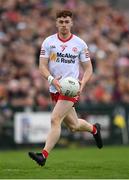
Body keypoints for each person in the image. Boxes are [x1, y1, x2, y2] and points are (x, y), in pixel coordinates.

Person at [28, 10, 103, 166]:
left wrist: (83, 82)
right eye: (61, 22)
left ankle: (43, 155)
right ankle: (94, 129)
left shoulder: (80, 44)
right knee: (74, 126)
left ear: (71, 23)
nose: (64, 25)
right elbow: (42, 67)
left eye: (66, 21)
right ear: (56, 23)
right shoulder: (48, 42)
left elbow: (89, 68)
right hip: (55, 88)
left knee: (55, 119)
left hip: (71, 89)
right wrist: (51, 79)